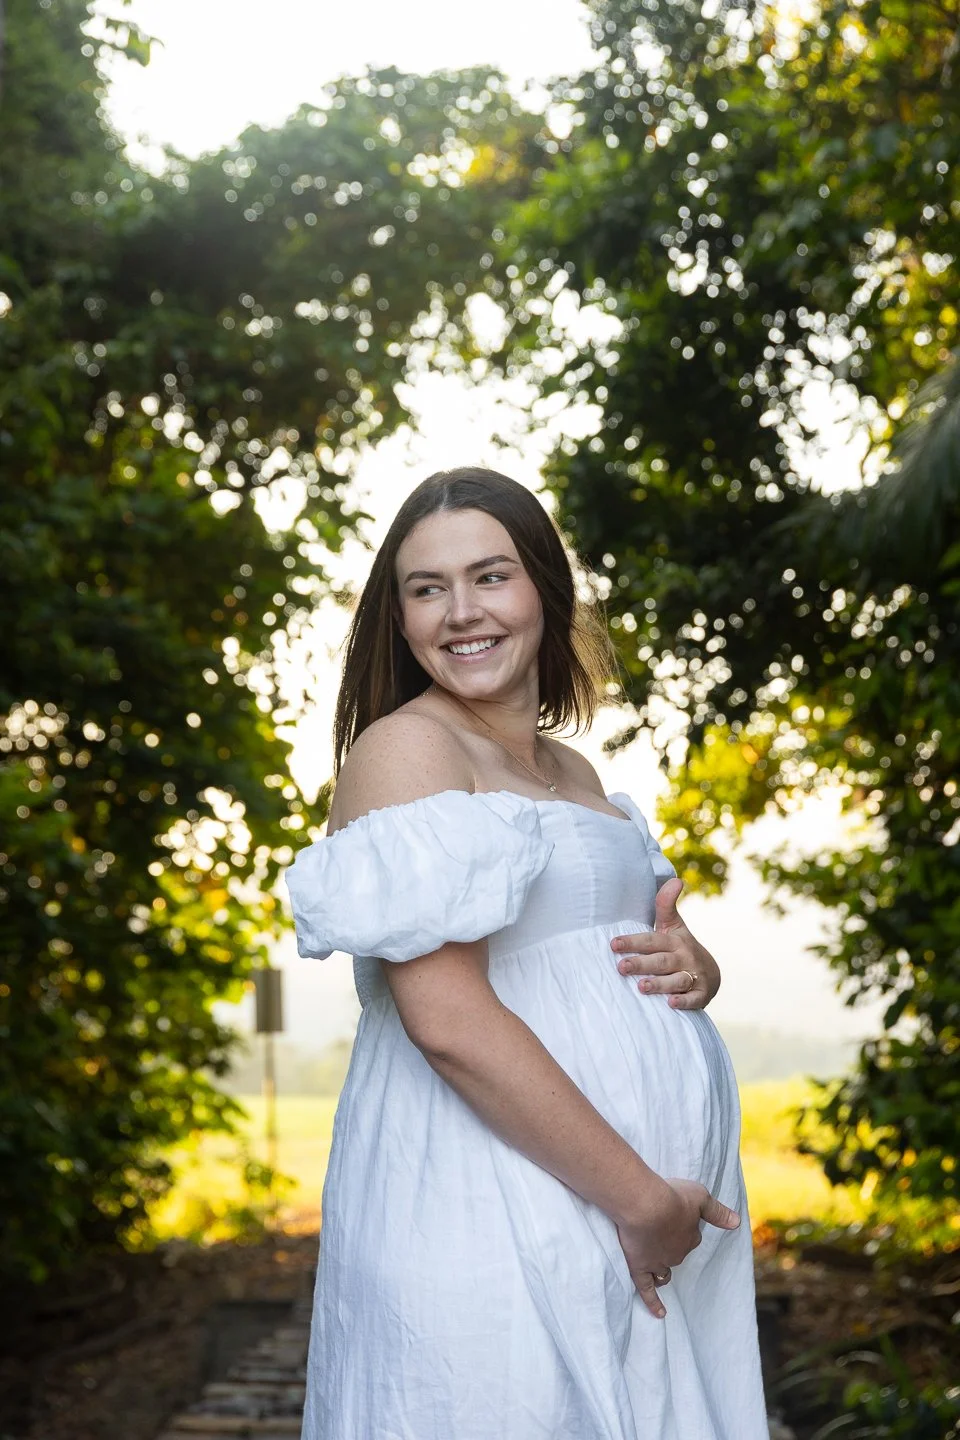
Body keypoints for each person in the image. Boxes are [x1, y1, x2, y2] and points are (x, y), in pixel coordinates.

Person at [285, 466, 769, 1439]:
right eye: (427, 589)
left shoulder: (574, 769)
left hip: (620, 1223)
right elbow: (449, 1019)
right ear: (400, 616)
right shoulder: (407, 750)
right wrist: (642, 1202)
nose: (462, 612)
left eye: (490, 576)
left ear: (546, 588)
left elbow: (601, 941)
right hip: (492, 1206)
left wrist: (695, 969)